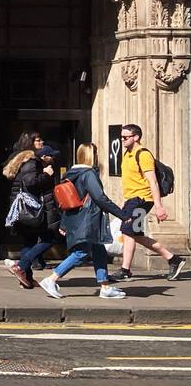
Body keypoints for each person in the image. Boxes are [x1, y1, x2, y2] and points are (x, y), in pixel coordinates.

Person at [39, 143, 129, 300]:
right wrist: (122, 214)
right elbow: (99, 197)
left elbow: (67, 202)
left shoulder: (70, 174)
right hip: (89, 219)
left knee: (99, 249)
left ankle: (105, 286)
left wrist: (64, 223)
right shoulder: (88, 174)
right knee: (81, 252)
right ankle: (51, 279)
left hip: (76, 218)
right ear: (91, 156)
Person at [113, 125, 184, 282]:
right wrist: (124, 202)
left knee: (128, 231)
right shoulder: (127, 154)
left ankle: (125, 270)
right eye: (121, 137)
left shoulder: (143, 154)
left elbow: (153, 182)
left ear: (136, 137)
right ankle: (173, 259)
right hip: (131, 199)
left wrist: (159, 207)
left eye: (125, 137)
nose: (122, 140)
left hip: (142, 199)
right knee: (134, 234)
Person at [2, 132, 57, 289]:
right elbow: (31, 182)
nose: (42, 142)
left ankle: (26, 279)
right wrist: (46, 174)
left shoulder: (22, 159)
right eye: (38, 140)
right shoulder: (31, 161)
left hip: (23, 209)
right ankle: (21, 265)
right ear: (30, 144)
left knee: (29, 241)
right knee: (48, 239)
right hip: (32, 209)